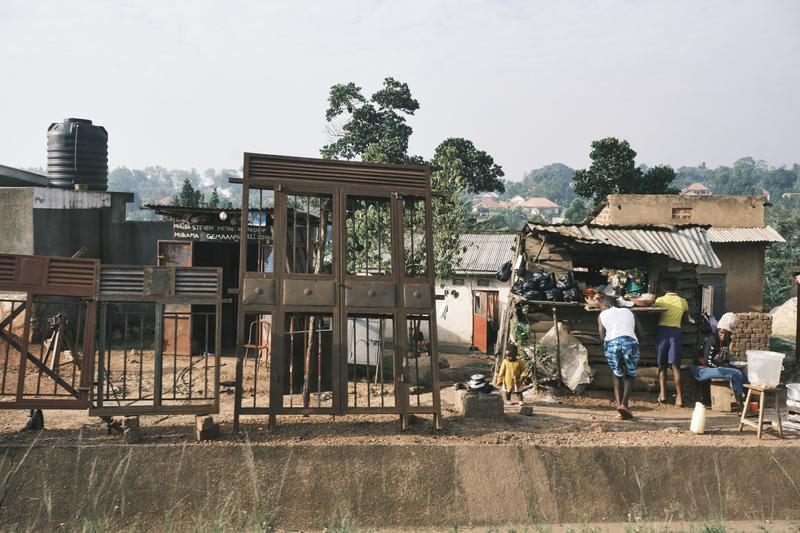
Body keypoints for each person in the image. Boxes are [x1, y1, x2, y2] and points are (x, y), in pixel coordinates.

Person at [598, 295, 645, 420]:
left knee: (616, 373)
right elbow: (641, 333)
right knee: (630, 373)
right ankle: (624, 404)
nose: (601, 310)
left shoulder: (602, 315)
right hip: (630, 342)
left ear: (607, 306)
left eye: (601, 307)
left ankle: (619, 407)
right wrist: (634, 344)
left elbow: (602, 337)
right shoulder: (629, 312)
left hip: (612, 343)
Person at [692, 312, 746, 409]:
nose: (724, 336)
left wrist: (726, 363)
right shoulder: (712, 340)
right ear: (718, 330)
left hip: (712, 367)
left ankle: (748, 402)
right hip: (701, 369)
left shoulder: (726, 340)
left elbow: (723, 357)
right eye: (722, 332)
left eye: (727, 333)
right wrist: (722, 366)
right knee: (736, 374)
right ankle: (740, 407)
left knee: (743, 372)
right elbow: (707, 361)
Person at [654, 278, 692, 408]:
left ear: (664, 289)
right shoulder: (683, 301)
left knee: (662, 365)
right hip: (676, 332)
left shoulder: (660, 300)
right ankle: (679, 398)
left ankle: (663, 394)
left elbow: (654, 315)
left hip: (662, 331)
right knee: (676, 366)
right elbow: (686, 320)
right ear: (676, 288)